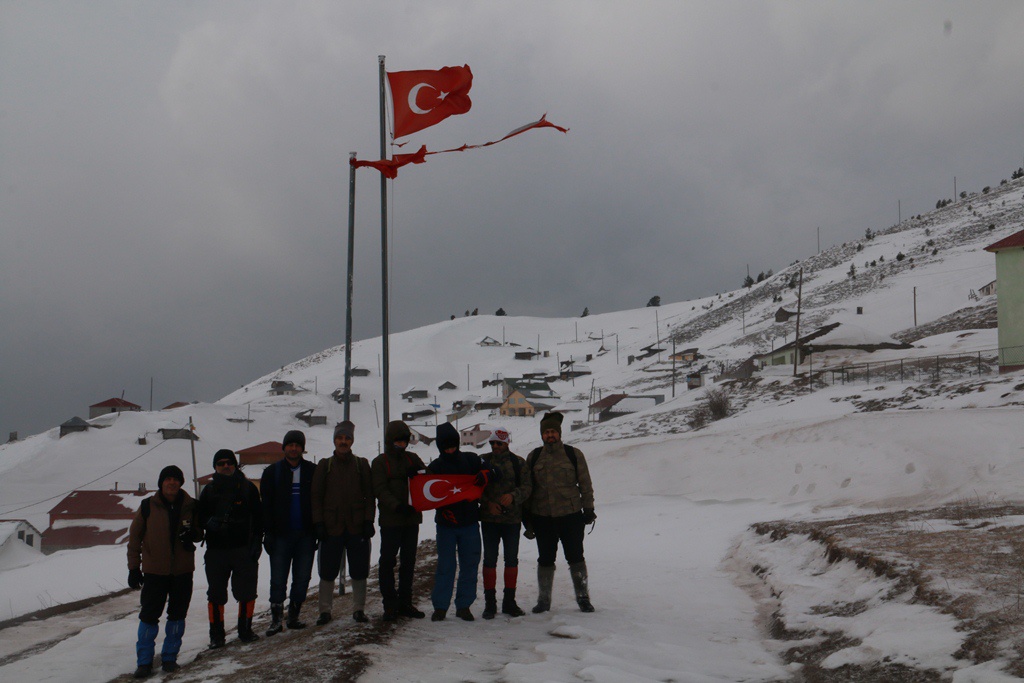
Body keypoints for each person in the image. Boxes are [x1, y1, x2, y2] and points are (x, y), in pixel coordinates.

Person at [126, 465, 201, 678]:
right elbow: (135, 539)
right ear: (161, 483)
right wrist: (134, 568)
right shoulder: (148, 506)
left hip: (182, 572)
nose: (172, 483)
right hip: (154, 573)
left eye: (176, 479)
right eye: (167, 479)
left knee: (177, 616)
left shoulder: (191, 505)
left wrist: (192, 535)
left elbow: (199, 533)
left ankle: (169, 658)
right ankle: (144, 662)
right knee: (149, 617)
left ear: (181, 483)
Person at [426, 422, 497, 622]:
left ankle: (464, 605)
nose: (450, 449)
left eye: (453, 445)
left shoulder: (471, 459)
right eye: (445, 447)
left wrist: (486, 473)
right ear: (440, 447)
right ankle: (440, 606)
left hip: (470, 524)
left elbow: (493, 471)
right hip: (446, 525)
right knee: (445, 566)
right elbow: (424, 491)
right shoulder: (435, 467)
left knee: (470, 565)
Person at [525, 411, 596, 613]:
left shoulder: (574, 454)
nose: (550, 435)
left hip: (571, 515)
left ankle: (583, 598)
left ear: (559, 433)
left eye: (553, 432)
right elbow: (528, 488)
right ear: (542, 435)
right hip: (542, 517)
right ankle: (543, 600)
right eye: (546, 432)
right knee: (545, 559)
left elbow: (585, 483)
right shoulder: (534, 457)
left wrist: (588, 508)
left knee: (576, 557)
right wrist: (527, 517)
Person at [196, 449, 264, 648]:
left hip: (244, 549)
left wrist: (257, 542)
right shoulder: (208, 491)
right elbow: (199, 518)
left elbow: (259, 518)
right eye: (221, 463)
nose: (226, 466)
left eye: (229, 463)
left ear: (235, 465)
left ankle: (245, 630)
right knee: (216, 594)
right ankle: (216, 636)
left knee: (247, 592)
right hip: (216, 551)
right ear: (215, 467)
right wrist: (209, 523)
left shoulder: (248, 488)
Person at [311, 420, 376, 625]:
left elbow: (370, 495)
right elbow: (316, 496)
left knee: (359, 570)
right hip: (331, 526)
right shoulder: (324, 465)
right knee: (327, 571)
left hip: (357, 526)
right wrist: (319, 523)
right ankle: (324, 611)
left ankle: (358, 609)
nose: (343, 441)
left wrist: (368, 521)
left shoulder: (361, 464)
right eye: (340, 438)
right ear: (334, 440)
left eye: (347, 438)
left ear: (352, 441)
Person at [260, 429, 317, 635]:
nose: (294, 448)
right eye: (290, 445)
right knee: (278, 579)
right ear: (284, 447)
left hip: (306, 535)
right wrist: (268, 534)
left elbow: (318, 502)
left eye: (297, 445)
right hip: (280, 535)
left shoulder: (312, 470)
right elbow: (265, 506)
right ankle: (276, 620)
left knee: (302, 578)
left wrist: (317, 530)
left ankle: (293, 616)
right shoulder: (272, 472)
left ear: (302, 448)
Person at [371, 420, 427, 621]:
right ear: (390, 440)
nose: (402, 445)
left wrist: (419, 474)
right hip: (391, 520)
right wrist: (397, 505)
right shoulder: (379, 462)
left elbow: (427, 479)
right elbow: (380, 489)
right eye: (398, 441)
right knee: (387, 562)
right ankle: (390, 605)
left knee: (408, 562)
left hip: (411, 519)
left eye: (404, 441)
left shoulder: (413, 459)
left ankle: (405, 602)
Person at [478, 425, 531, 619]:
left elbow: (527, 487)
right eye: (492, 443)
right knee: (489, 561)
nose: (495, 446)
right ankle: (489, 604)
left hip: (512, 521)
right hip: (489, 519)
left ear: (506, 443)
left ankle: (509, 602)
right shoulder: (482, 461)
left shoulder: (518, 463)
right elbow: (474, 487)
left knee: (511, 560)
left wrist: (513, 495)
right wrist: (488, 503)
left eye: (499, 443)